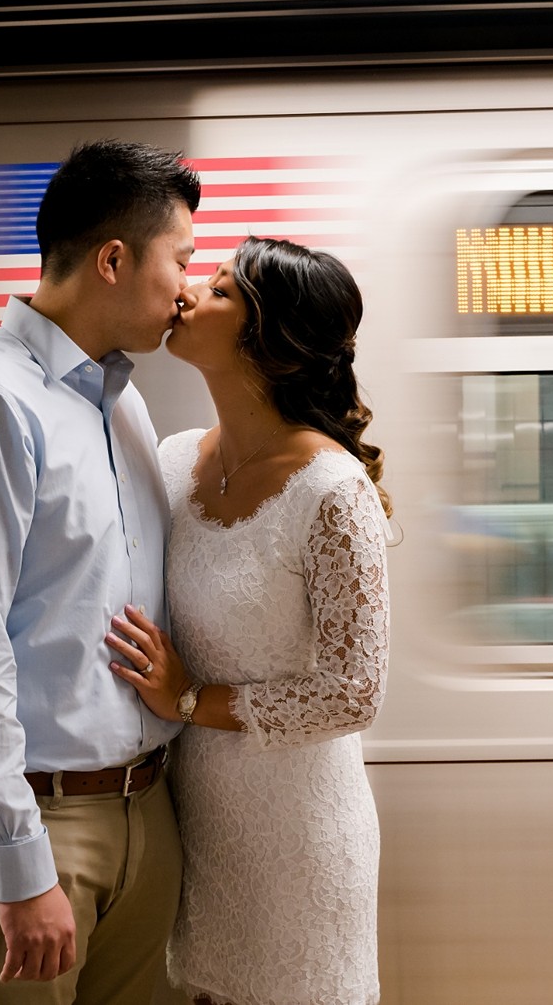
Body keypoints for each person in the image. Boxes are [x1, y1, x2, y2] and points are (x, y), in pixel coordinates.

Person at [0, 139, 200, 1004]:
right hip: (37, 821)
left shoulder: (122, 404)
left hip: (143, 812)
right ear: (114, 259)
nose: (188, 283)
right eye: (179, 258)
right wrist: (19, 863)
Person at [105, 236, 392, 1005]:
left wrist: (193, 699)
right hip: (198, 831)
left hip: (301, 839)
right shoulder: (168, 463)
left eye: (223, 290)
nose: (189, 292)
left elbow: (356, 691)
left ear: (270, 342)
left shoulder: (332, 492)